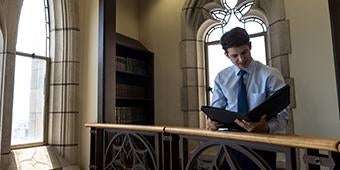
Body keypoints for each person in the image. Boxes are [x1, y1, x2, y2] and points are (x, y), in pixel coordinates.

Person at [206, 27, 288, 169]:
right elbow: (216, 109)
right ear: (226, 55)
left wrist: (266, 127)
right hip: (230, 144)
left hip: (262, 145)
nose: (241, 59)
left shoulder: (270, 75)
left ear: (250, 46)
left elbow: (283, 116)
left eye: (244, 52)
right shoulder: (221, 77)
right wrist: (211, 121)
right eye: (234, 56)